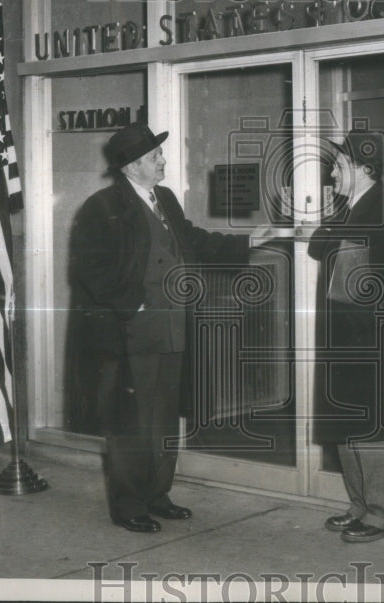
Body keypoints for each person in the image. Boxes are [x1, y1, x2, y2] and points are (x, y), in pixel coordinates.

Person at [68, 121, 268, 533]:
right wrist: (134, 304)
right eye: (155, 155)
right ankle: (128, 505)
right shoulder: (101, 207)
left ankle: (158, 494)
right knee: (131, 421)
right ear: (132, 166)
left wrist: (244, 243)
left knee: (163, 417)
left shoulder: (166, 199)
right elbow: (90, 269)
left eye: (159, 154)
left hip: (174, 329)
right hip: (131, 332)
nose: (162, 160)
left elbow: (190, 239)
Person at [308, 129, 384, 543]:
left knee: (374, 427)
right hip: (344, 335)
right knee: (348, 423)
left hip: (369, 337)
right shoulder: (350, 208)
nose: (331, 173)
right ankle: (360, 506)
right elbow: (319, 247)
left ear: (364, 169)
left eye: (339, 166)